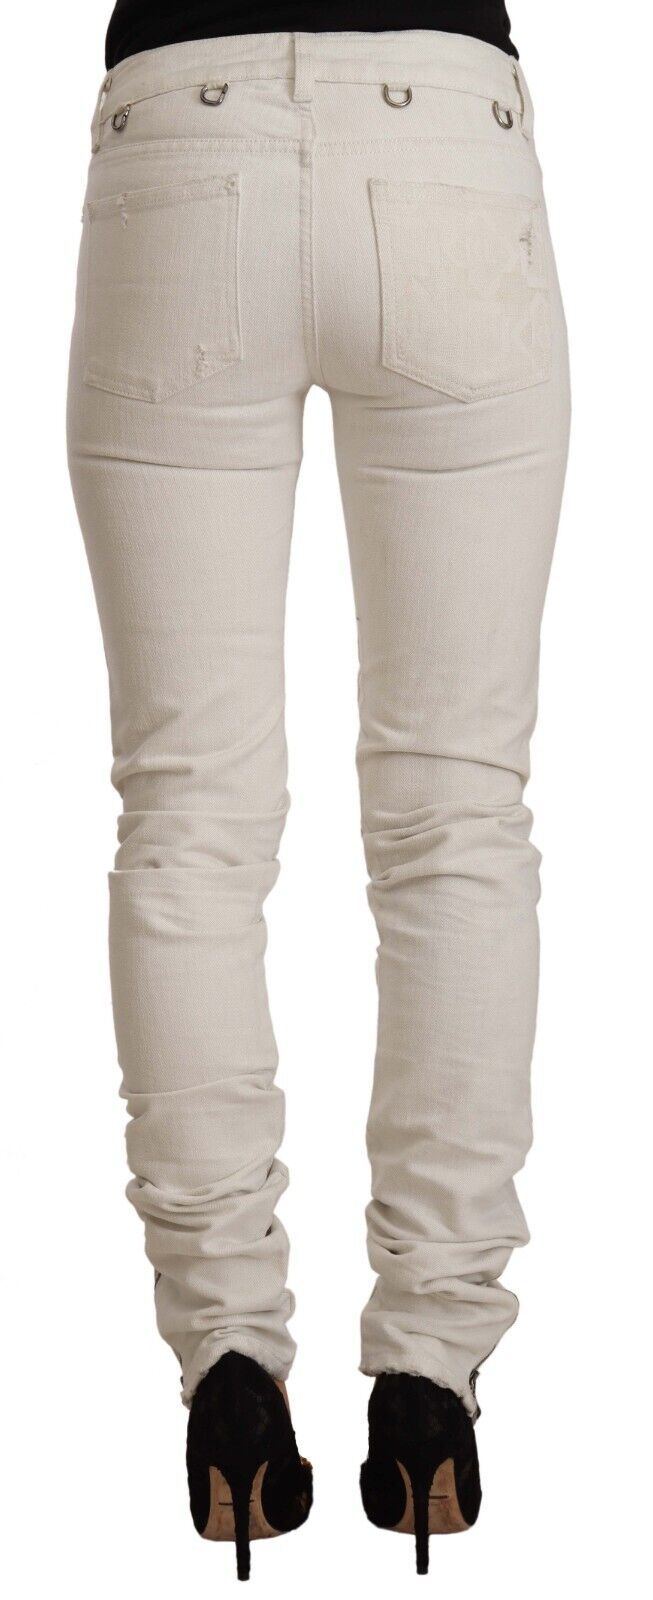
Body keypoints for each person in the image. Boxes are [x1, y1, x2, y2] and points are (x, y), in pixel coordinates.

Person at [67, 5, 570, 1578]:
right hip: (444, 153)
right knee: (455, 815)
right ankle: (428, 1382)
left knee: (186, 823)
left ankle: (227, 1363)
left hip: (180, 143)